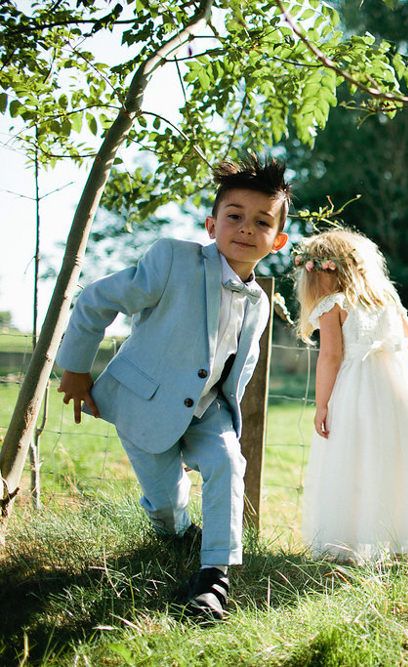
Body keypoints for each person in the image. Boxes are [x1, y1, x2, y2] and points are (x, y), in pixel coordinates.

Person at [56, 156, 291, 619]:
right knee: (165, 506)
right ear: (211, 224)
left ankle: (214, 579)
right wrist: (76, 368)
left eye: (261, 221)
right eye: (234, 216)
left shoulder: (260, 302)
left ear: (277, 240)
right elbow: (97, 299)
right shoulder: (171, 260)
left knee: (228, 461)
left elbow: (236, 367)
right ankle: (179, 533)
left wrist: (223, 414)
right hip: (146, 401)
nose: (245, 228)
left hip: (209, 410)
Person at [294, 229, 408, 564]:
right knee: (395, 462)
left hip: (357, 393)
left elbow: (330, 357)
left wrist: (322, 405)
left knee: (354, 461)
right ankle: (396, 542)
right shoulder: (388, 302)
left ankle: (351, 544)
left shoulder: (332, 305)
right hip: (399, 394)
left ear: (323, 272)